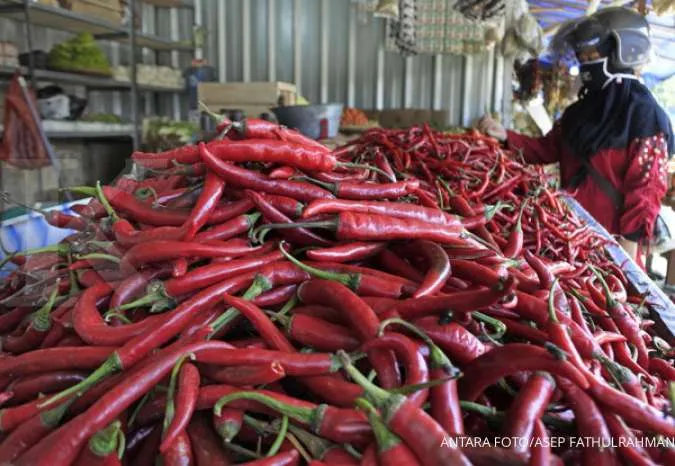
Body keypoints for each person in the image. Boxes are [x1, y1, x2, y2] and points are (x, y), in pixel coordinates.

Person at [478, 7, 674, 262]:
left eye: (592, 54)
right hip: (567, 236)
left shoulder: (645, 117)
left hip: (611, 248)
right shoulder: (579, 111)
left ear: (623, 52)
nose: (585, 61)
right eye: (582, 56)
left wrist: (626, 264)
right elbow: (547, 149)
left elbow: (645, 193)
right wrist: (505, 136)